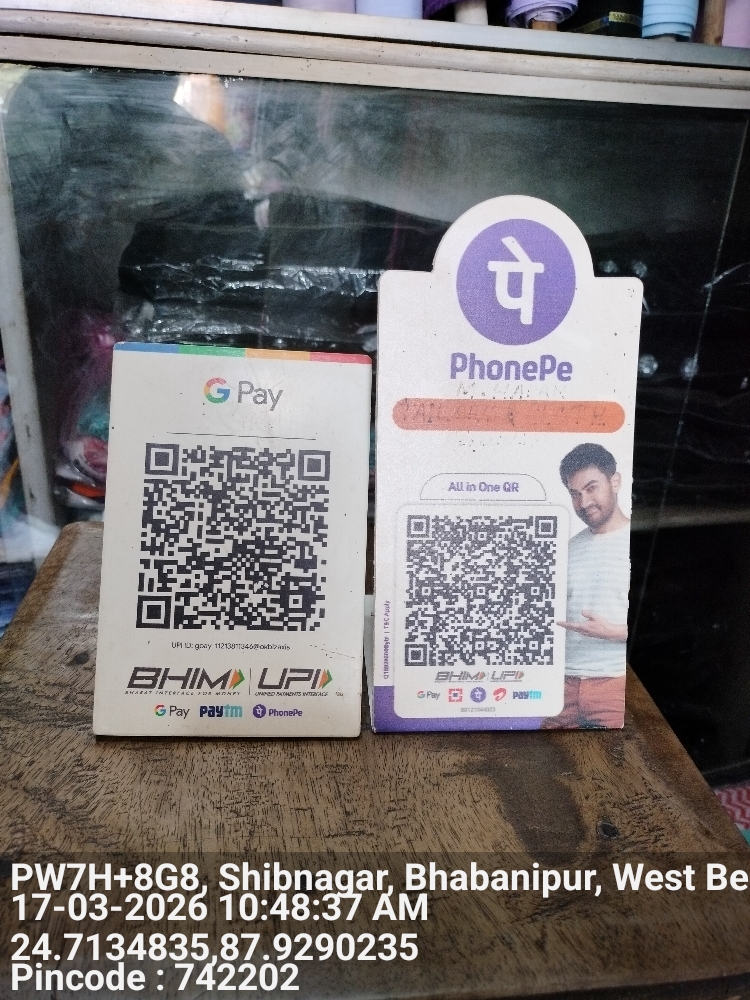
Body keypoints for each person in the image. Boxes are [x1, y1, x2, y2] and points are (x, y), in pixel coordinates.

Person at [543, 443, 629, 729]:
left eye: (591, 488)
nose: (584, 502)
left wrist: (614, 632)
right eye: (575, 494)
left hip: (615, 684)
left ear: (615, 482)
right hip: (562, 686)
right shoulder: (566, 549)